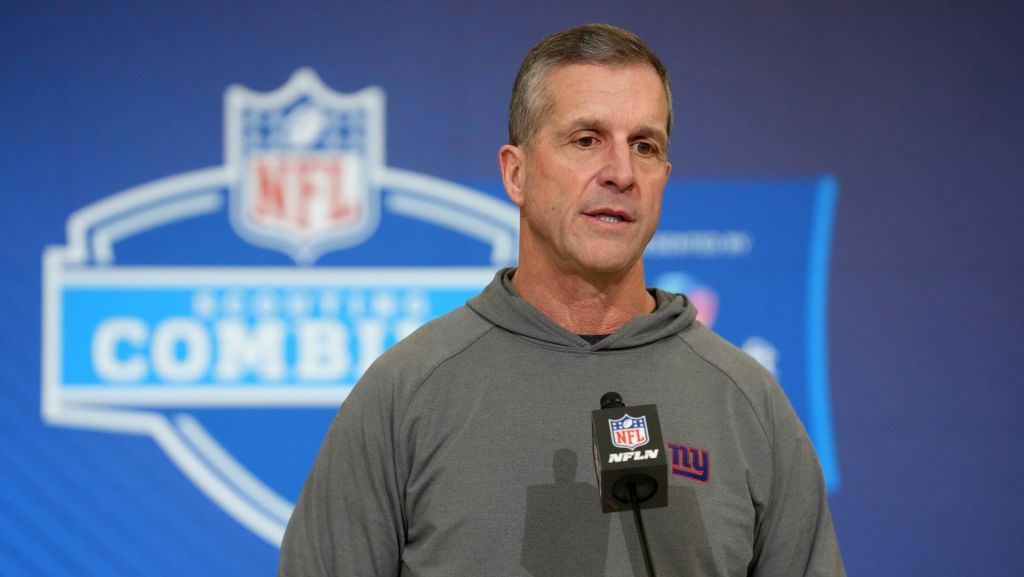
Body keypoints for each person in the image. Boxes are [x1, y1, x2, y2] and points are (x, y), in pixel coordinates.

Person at [279, 23, 845, 576]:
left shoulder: (747, 401)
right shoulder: (407, 393)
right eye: (586, 140)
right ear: (516, 173)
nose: (621, 173)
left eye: (644, 146)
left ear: (664, 177)